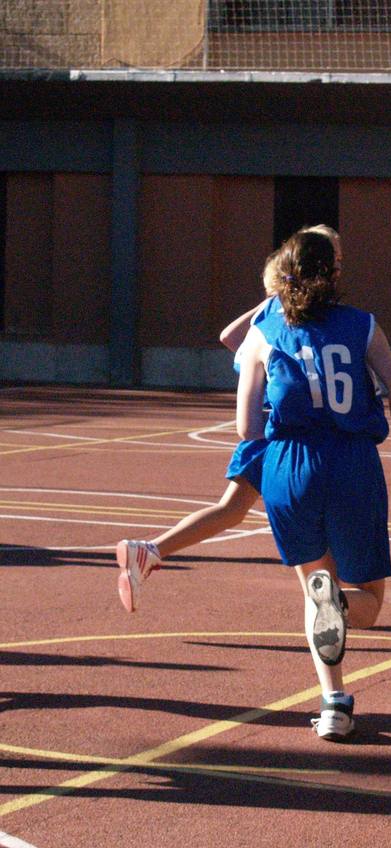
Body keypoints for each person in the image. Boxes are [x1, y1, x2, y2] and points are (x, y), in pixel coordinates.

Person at [236, 228, 391, 741]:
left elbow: (246, 428)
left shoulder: (263, 328)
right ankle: (336, 610)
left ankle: (334, 702)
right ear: (333, 274)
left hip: (289, 467)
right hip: (351, 463)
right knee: (366, 604)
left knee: (315, 594)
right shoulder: (361, 325)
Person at [115, 226, 342, 612]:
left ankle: (149, 551)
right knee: (306, 514)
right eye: (335, 256)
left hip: (276, 433)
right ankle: (329, 605)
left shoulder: (290, 309)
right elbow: (231, 337)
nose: (338, 263)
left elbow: (229, 337)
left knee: (233, 510)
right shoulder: (289, 311)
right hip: (279, 435)